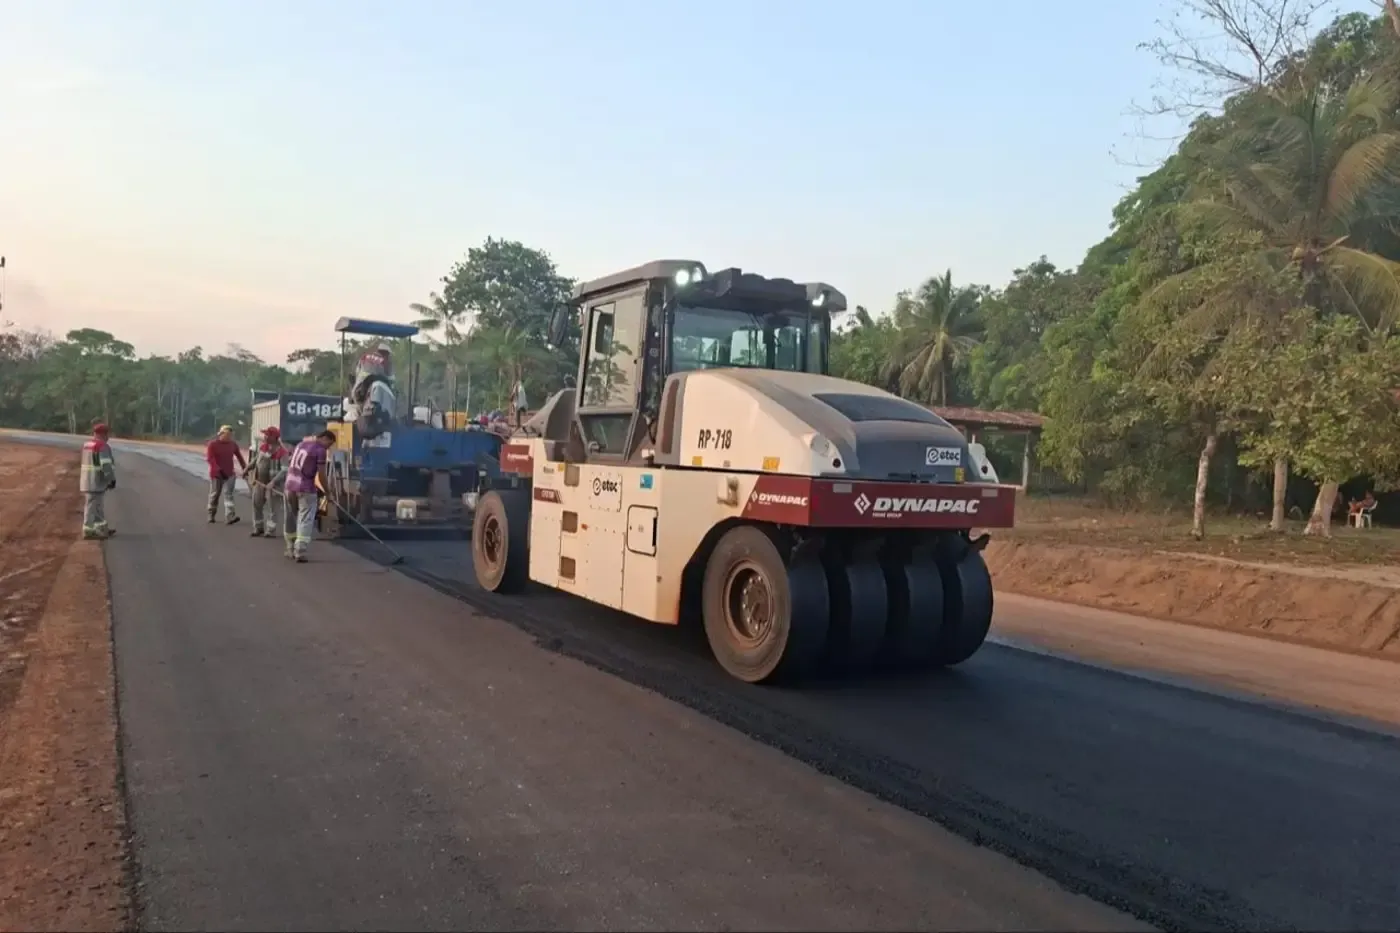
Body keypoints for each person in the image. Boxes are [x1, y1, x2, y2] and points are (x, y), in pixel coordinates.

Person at [283, 429, 335, 562]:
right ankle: (300, 550)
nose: (329, 447)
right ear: (325, 438)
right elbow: (322, 475)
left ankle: (289, 548)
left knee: (292, 516)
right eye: (330, 444)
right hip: (305, 488)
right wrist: (328, 493)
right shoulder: (320, 450)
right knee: (305, 517)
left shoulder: (301, 444)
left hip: (289, 485)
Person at [242, 426, 289, 537]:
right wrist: (247, 468)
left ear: (274, 437)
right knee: (256, 504)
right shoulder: (263, 447)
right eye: (265, 434)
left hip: (274, 485)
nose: (265, 437)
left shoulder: (282, 452)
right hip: (260, 482)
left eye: (267, 435)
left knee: (273, 508)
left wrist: (273, 482)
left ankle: (271, 530)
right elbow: (256, 460)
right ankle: (258, 528)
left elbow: (284, 470)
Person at [79, 423, 117, 540]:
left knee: (96, 505)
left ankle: (100, 529)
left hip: (86, 479)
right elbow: (106, 465)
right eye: (107, 434)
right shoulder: (102, 447)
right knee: (93, 506)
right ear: (103, 434)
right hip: (96, 481)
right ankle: (89, 529)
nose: (108, 437)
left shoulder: (87, 445)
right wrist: (111, 479)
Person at [205, 425, 248, 524]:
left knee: (229, 495)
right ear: (221, 434)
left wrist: (245, 469)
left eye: (230, 435)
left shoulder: (232, 445)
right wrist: (219, 470)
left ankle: (230, 516)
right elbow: (210, 459)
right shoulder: (212, 445)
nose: (229, 437)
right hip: (217, 474)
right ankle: (211, 515)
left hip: (229, 474)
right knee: (215, 494)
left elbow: (240, 457)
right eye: (227, 434)